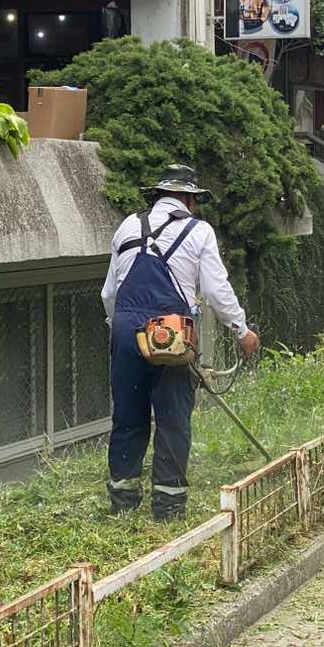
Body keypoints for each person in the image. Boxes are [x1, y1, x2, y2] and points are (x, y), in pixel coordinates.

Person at [101, 165, 260, 521]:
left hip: (126, 327)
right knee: (172, 417)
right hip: (171, 332)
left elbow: (109, 293)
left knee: (127, 415)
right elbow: (216, 290)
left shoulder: (127, 225)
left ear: (158, 195)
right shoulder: (198, 230)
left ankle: (123, 505)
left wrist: (121, 329)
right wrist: (242, 330)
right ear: (189, 199)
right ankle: (168, 508)